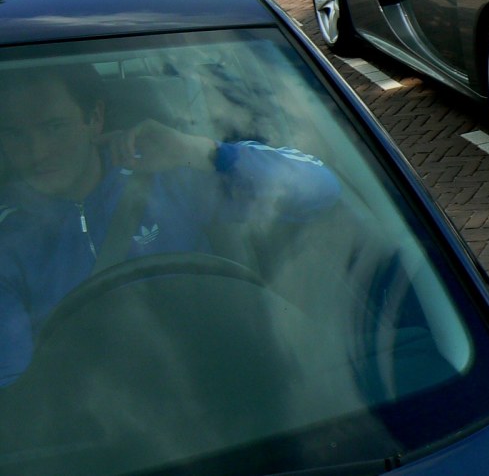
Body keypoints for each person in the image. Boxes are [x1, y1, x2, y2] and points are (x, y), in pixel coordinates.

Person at [0, 64, 340, 387]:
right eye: (15, 134)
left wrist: (200, 152)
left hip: (225, 379)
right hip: (106, 419)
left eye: (54, 127)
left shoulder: (171, 178)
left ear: (95, 118)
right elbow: (15, 387)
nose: (37, 152)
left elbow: (321, 188)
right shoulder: (9, 240)